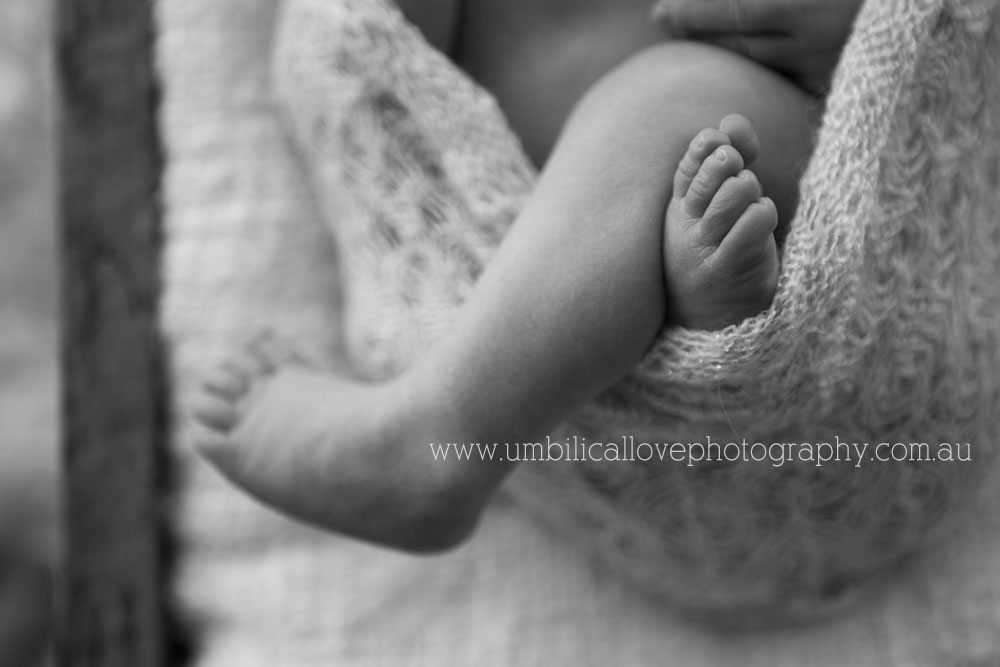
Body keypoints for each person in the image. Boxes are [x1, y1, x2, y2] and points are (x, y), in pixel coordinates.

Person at [191, 0, 864, 551]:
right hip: (517, 228)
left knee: (680, 107)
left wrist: (870, 23)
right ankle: (652, 291)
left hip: (791, 143)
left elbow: (926, 51)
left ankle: (443, 434)